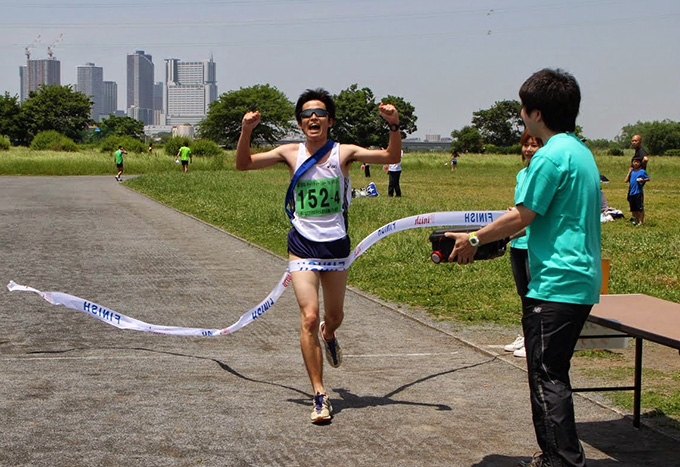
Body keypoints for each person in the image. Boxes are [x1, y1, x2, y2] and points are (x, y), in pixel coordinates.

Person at [445, 68, 601, 467]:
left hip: (554, 283)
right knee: (554, 373)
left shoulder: (550, 156)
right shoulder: (580, 152)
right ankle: (559, 456)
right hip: (579, 280)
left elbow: (522, 215)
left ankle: (561, 461)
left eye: (523, 109)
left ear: (535, 112)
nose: (521, 115)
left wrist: (475, 239)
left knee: (546, 377)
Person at [236, 88, 401, 424]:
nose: (314, 118)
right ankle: (320, 394)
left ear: (330, 121)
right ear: (300, 122)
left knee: (333, 317)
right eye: (307, 114)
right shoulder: (289, 152)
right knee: (308, 317)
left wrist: (395, 126)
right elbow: (243, 164)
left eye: (320, 113)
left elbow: (388, 157)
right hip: (302, 246)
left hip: (336, 246)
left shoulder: (345, 153)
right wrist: (246, 131)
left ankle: (330, 335)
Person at [504, 130, 543, 359]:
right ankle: (527, 333)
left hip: (535, 241)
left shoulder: (542, 175)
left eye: (534, 145)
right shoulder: (521, 174)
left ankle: (535, 338)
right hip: (517, 241)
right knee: (523, 292)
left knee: (535, 293)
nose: (528, 149)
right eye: (526, 145)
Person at [625, 157, 650, 226]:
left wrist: (642, 180)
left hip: (638, 192)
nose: (636, 163)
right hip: (631, 192)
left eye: (637, 162)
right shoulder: (632, 172)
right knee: (633, 208)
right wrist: (629, 172)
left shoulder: (642, 171)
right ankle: (635, 220)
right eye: (634, 162)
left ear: (640, 163)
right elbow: (626, 180)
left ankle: (641, 221)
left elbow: (648, 178)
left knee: (640, 208)